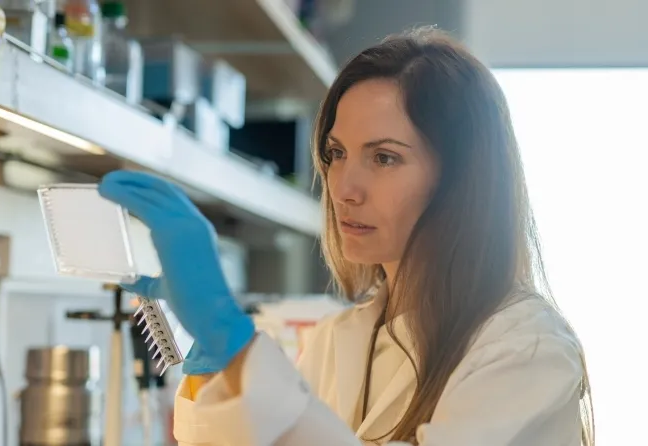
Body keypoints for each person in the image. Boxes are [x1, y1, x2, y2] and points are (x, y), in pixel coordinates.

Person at [99, 27, 594, 446]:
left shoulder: (525, 348)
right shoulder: (338, 339)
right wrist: (215, 368)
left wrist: (237, 346)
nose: (343, 189)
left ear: (461, 181)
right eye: (337, 153)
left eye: (384, 158)